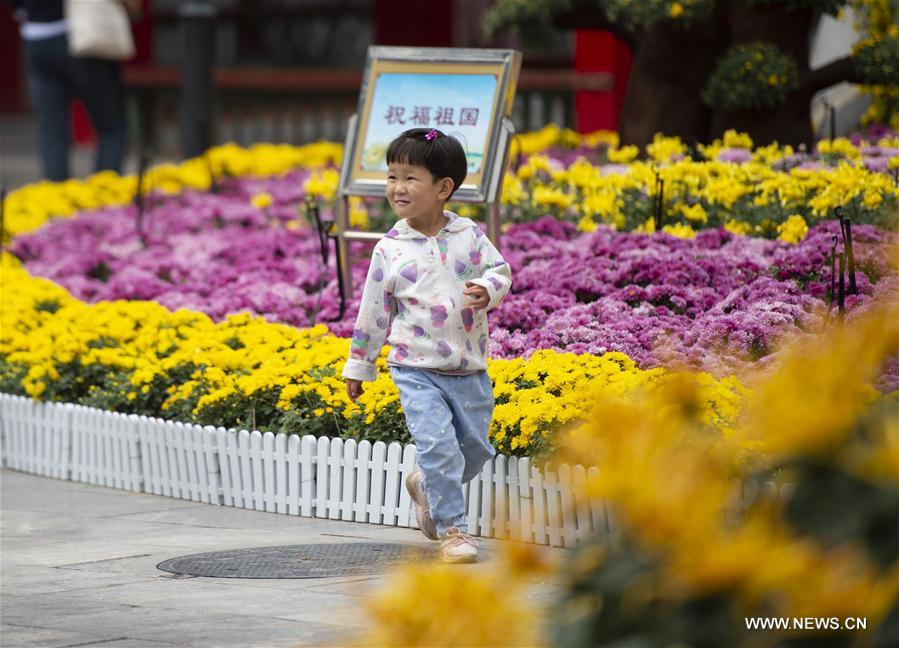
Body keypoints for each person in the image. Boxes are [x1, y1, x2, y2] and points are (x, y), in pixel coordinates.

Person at [342, 127, 512, 564]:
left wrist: (487, 288)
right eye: (392, 176)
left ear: (443, 188)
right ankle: (453, 530)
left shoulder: (470, 235)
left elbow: (501, 270)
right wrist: (360, 366)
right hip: (415, 368)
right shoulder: (389, 249)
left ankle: (422, 483)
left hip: (469, 367)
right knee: (438, 448)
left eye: (410, 177)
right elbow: (374, 313)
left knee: (474, 452)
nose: (397, 187)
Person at [10, 0, 136, 181]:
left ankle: (57, 198)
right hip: (80, 31)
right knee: (111, 128)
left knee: (52, 131)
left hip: (36, 36)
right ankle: (105, 198)